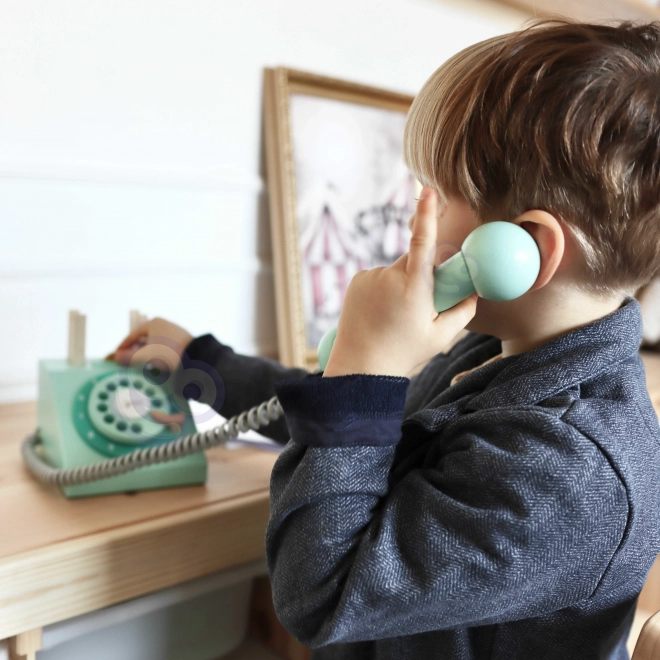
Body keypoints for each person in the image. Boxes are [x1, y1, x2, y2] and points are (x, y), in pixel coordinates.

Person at [110, 20, 660, 659]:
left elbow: (320, 592)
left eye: (440, 195)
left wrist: (363, 370)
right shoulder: (490, 351)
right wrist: (206, 365)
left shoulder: (564, 471)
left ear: (523, 249)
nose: (412, 213)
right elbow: (367, 445)